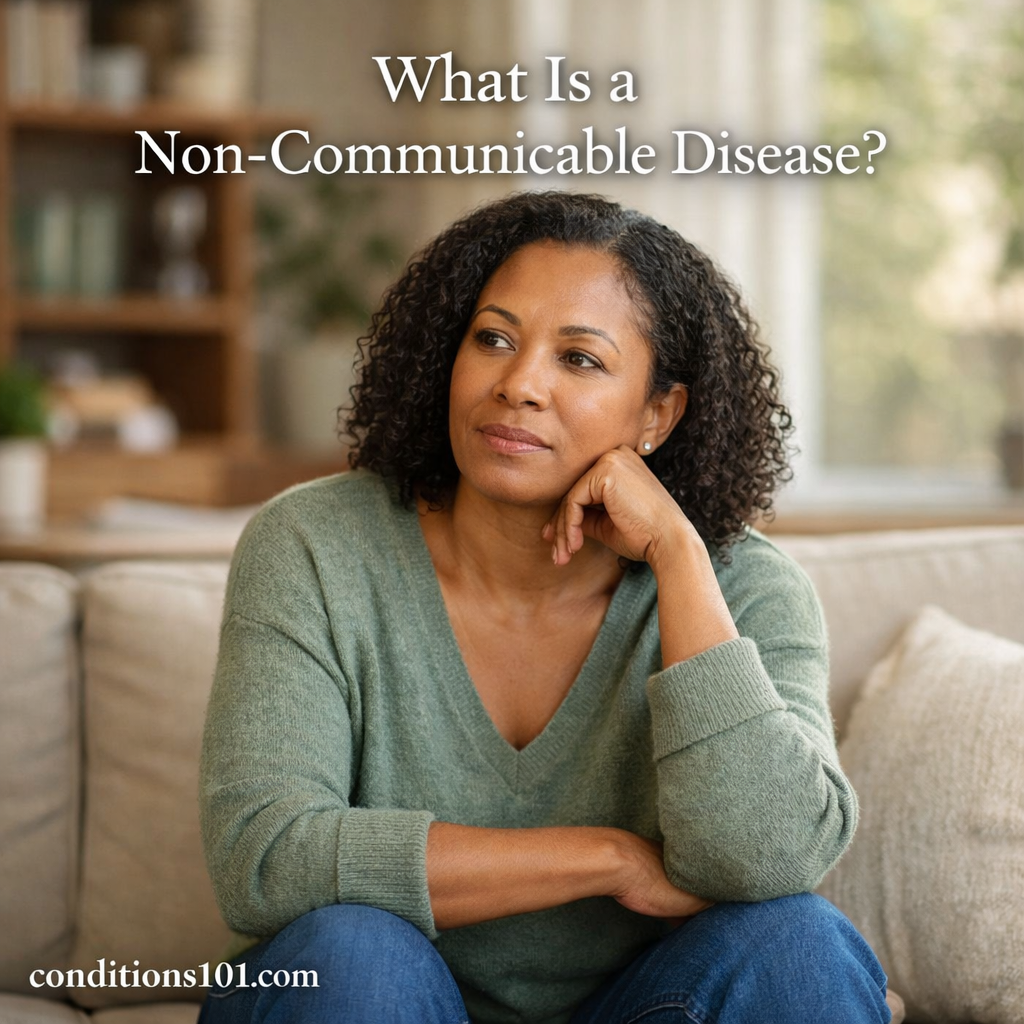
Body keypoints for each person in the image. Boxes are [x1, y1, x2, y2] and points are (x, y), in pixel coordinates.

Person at [197, 191, 892, 1024]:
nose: (519, 384)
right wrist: (607, 859)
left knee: (799, 945)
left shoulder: (746, 587)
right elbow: (266, 859)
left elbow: (768, 860)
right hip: (380, 998)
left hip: (643, 1006)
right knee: (353, 953)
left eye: (580, 359)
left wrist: (679, 559)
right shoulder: (313, 546)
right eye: (493, 339)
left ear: (658, 414)